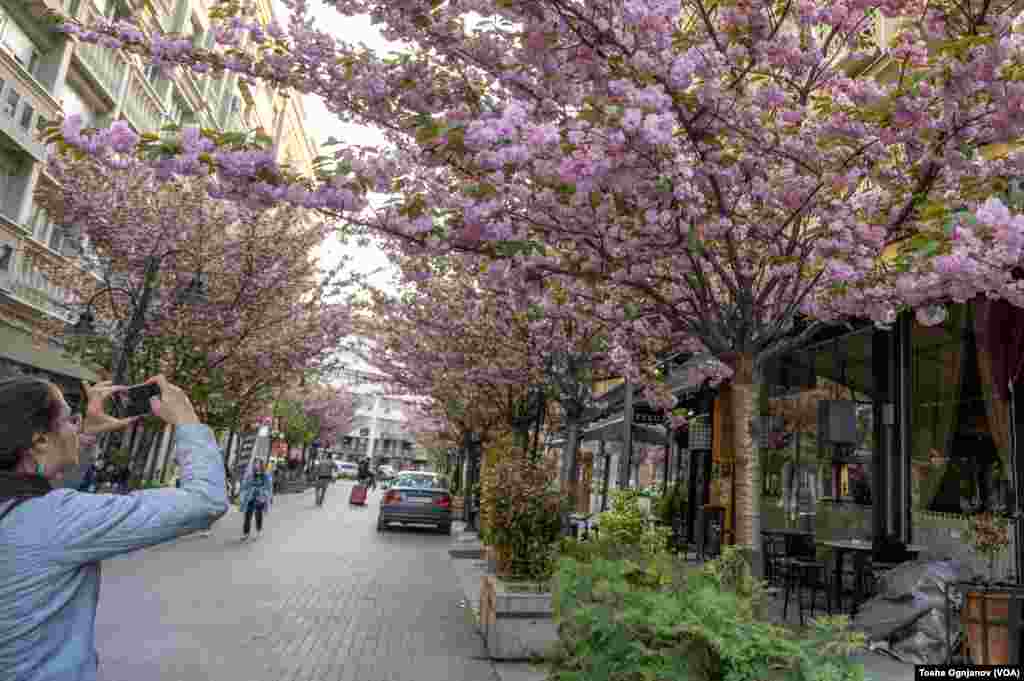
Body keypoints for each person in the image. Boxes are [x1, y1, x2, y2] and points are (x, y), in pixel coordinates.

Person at [0, 375, 227, 681]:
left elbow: (39, 500)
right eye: (70, 420)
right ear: (40, 440)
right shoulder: (60, 520)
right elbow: (205, 501)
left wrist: (86, 437)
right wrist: (187, 419)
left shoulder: (23, 509)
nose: (78, 426)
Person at [239, 459, 273, 540]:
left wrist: (264, 495)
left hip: (260, 498)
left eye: (257, 464)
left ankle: (258, 531)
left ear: (261, 465)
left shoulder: (265, 475)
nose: (256, 465)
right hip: (250, 497)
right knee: (247, 515)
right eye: (255, 464)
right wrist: (243, 493)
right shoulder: (250, 475)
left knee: (258, 515)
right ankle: (246, 533)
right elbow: (245, 485)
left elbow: (268, 487)